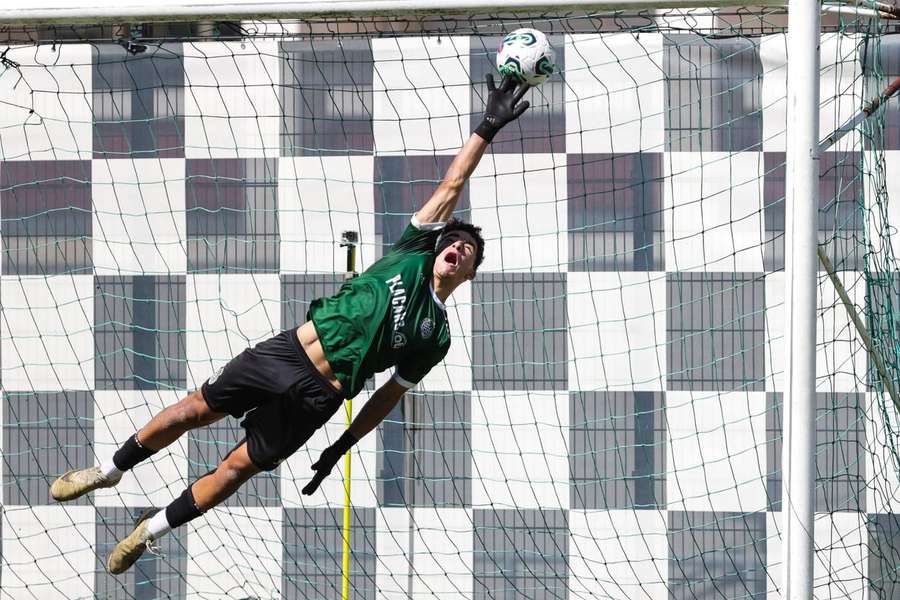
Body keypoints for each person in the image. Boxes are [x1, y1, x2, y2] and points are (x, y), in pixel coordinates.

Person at [49, 74, 530, 575]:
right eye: (454, 242)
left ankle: (149, 531)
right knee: (193, 410)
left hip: (320, 397)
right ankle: (109, 471)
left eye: (468, 251)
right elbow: (452, 184)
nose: (458, 248)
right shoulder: (409, 253)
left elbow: (389, 396)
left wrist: (343, 444)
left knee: (236, 469)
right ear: (438, 246)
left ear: (470, 273)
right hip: (287, 353)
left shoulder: (437, 334)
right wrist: (487, 127)